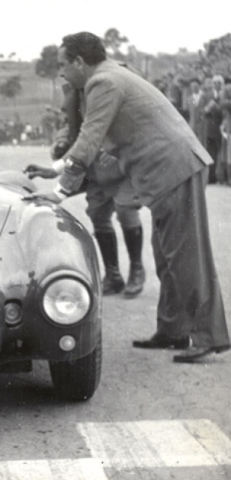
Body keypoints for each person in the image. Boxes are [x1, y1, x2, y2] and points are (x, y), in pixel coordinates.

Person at [23, 32, 230, 363]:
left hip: (173, 169)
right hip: (172, 169)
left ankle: (208, 336)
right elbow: (92, 140)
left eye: (64, 65)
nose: (62, 73)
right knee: (167, 255)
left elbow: (91, 136)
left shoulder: (102, 82)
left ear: (79, 62)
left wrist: (60, 192)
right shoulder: (114, 72)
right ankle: (173, 331)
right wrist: (57, 168)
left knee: (187, 255)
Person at [25, 82, 145, 297]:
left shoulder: (108, 86)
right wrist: (61, 145)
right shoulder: (72, 90)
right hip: (95, 166)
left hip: (122, 164)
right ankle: (113, 274)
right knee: (98, 215)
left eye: (65, 65)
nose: (62, 72)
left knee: (126, 210)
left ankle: (137, 269)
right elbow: (69, 126)